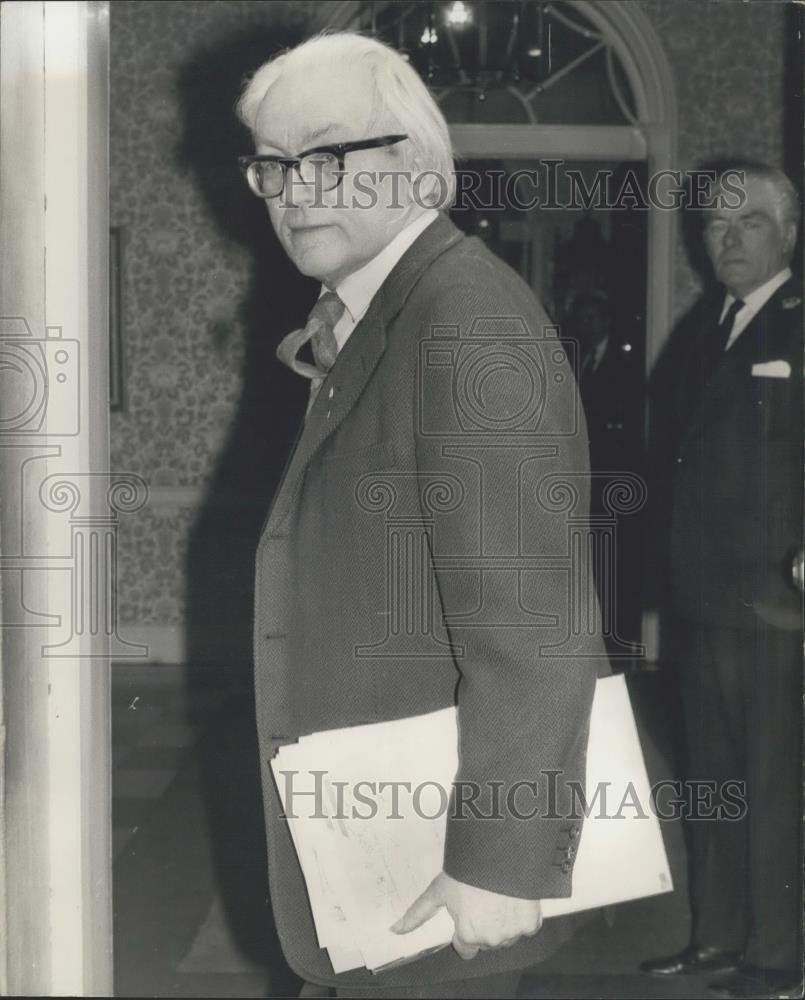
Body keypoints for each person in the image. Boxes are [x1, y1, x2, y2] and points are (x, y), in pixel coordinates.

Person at [238, 31, 605, 999]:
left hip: (440, 866)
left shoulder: (462, 319)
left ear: (414, 165)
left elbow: (536, 624)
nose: (294, 188)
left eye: (325, 155)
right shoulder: (377, 308)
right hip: (375, 840)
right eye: (272, 166)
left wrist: (498, 862)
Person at [640, 164, 803, 998]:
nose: (727, 239)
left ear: (787, 233)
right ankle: (716, 938)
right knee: (709, 779)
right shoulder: (709, 324)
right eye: (713, 225)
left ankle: (778, 956)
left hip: (778, 602)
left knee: (774, 782)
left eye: (747, 223)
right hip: (701, 598)